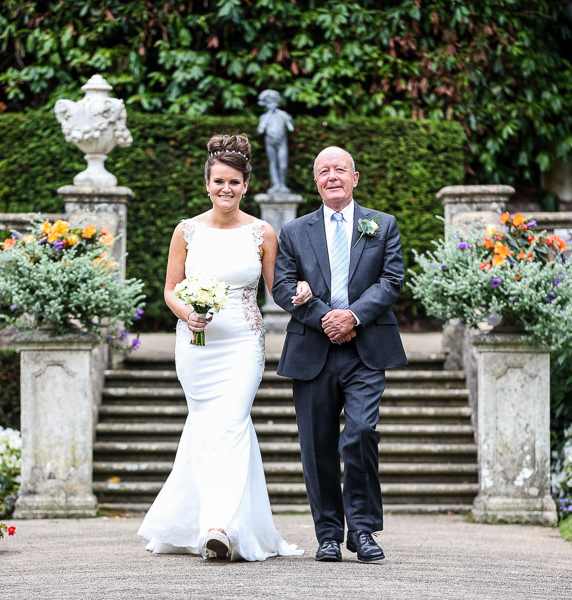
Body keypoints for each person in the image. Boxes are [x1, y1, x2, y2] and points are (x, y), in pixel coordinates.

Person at [138, 133, 306, 562]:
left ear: (245, 185)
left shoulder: (263, 233)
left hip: (243, 344)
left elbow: (277, 290)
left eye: (234, 182)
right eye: (218, 182)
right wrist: (185, 314)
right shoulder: (187, 231)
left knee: (231, 422)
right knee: (207, 427)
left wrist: (303, 292)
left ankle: (219, 527)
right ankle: (212, 522)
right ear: (207, 184)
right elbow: (170, 290)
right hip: (196, 346)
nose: (226, 190)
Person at [272, 146, 406, 563]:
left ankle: (363, 530)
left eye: (340, 170)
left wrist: (352, 316)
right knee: (317, 446)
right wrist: (326, 317)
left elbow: (392, 280)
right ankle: (328, 533)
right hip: (313, 349)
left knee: (362, 432)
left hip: (366, 348)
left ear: (355, 177)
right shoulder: (294, 231)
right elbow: (281, 286)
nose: (332, 176)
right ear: (315, 181)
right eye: (323, 171)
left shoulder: (382, 225)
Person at [257, 89, 294, 193]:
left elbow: (291, 128)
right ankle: (276, 184)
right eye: (269, 102)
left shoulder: (282, 115)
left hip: (281, 142)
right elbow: (260, 130)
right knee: (273, 163)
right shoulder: (264, 117)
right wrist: (268, 114)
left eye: (273, 101)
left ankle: (282, 184)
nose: (271, 104)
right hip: (269, 141)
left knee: (283, 164)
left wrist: (287, 119)